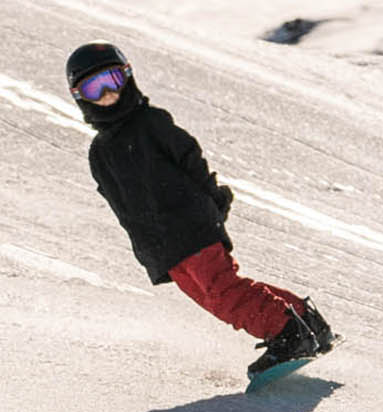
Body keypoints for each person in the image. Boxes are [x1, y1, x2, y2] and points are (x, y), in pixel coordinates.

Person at [66, 41, 333, 378]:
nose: (106, 93)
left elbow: (190, 158)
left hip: (190, 225)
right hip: (163, 248)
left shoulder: (150, 123)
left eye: (113, 80)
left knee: (222, 292)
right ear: (79, 96)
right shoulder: (99, 152)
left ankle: (287, 332)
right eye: (94, 87)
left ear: (128, 78)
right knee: (216, 297)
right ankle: (306, 322)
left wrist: (213, 197)